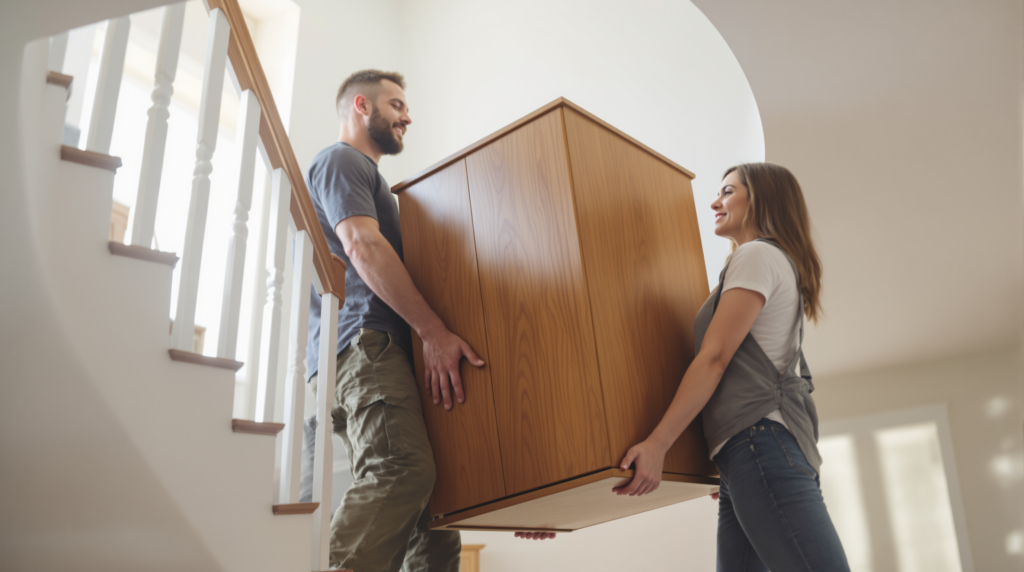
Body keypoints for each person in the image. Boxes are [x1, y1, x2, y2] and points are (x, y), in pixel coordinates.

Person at [615, 163, 850, 571]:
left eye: (727, 191)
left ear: (759, 198)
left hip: (761, 447)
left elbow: (715, 358)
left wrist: (658, 443)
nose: (714, 202)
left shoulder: (756, 254)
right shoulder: (772, 261)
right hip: (756, 452)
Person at [301, 69, 484, 572]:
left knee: (433, 522)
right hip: (366, 342)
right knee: (401, 470)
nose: (408, 116)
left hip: (370, 348)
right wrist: (433, 332)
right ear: (362, 106)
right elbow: (362, 246)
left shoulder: (372, 180)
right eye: (397, 105)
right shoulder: (341, 160)